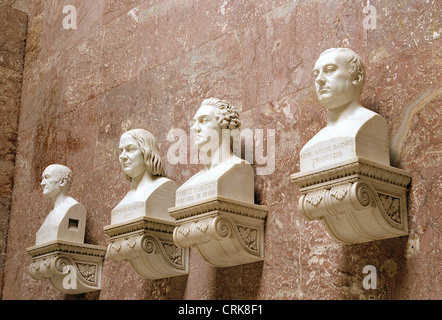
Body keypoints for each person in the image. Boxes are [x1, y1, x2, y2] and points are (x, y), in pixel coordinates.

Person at [300, 48, 390, 171]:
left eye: (330, 70)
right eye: (316, 74)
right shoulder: (311, 144)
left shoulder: (370, 124)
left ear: (356, 77)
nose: (319, 79)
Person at [175, 98, 254, 206]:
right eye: (195, 122)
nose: (194, 128)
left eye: (204, 120)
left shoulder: (238, 168)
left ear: (225, 127)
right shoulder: (195, 179)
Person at [111, 129, 177, 224]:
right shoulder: (126, 199)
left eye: (130, 149)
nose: (123, 156)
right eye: (121, 151)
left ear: (147, 152)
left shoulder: (165, 187)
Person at [36, 164, 86, 245]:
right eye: (42, 179)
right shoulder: (51, 213)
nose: (42, 183)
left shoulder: (74, 208)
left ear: (63, 181)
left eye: (47, 177)